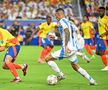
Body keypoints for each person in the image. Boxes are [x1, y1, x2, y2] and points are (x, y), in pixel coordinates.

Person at [45, 8, 97, 85]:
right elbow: (65, 35)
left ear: (59, 14)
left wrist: (65, 46)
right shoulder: (68, 22)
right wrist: (56, 37)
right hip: (73, 48)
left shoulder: (62, 21)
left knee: (47, 59)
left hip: (67, 49)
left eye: (56, 15)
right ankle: (92, 80)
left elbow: (67, 32)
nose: (55, 17)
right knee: (75, 66)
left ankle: (61, 75)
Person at [96, 7, 108, 71]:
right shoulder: (99, 18)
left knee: (101, 53)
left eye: (102, 11)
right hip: (100, 38)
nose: (100, 12)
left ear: (104, 11)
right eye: (99, 11)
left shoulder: (106, 19)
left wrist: (103, 34)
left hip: (104, 38)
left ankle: (107, 66)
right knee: (97, 52)